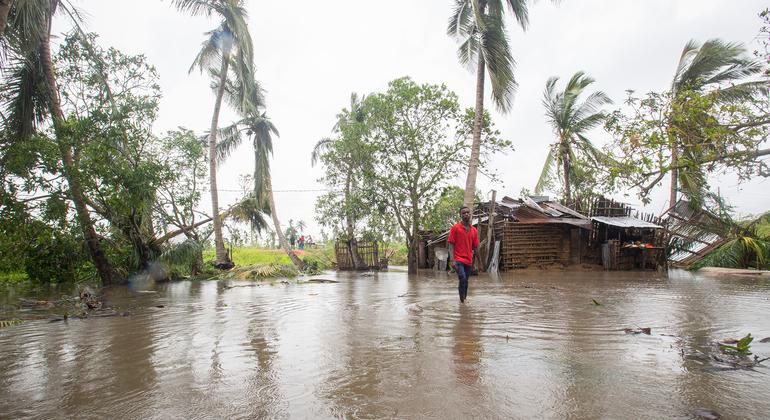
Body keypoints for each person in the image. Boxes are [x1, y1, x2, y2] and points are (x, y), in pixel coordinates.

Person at [448, 206, 479, 303]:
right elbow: (451, 244)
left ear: (470, 214)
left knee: (466, 281)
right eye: (463, 213)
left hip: (468, 260)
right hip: (458, 259)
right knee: (462, 277)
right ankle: (462, 301)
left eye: (467, 212)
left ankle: (464, 299)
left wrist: (479, 261)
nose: (466, 214)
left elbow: (476, 247)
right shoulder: (455, 228)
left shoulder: (474, 230)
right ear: (460, 215)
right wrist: (452, 260)